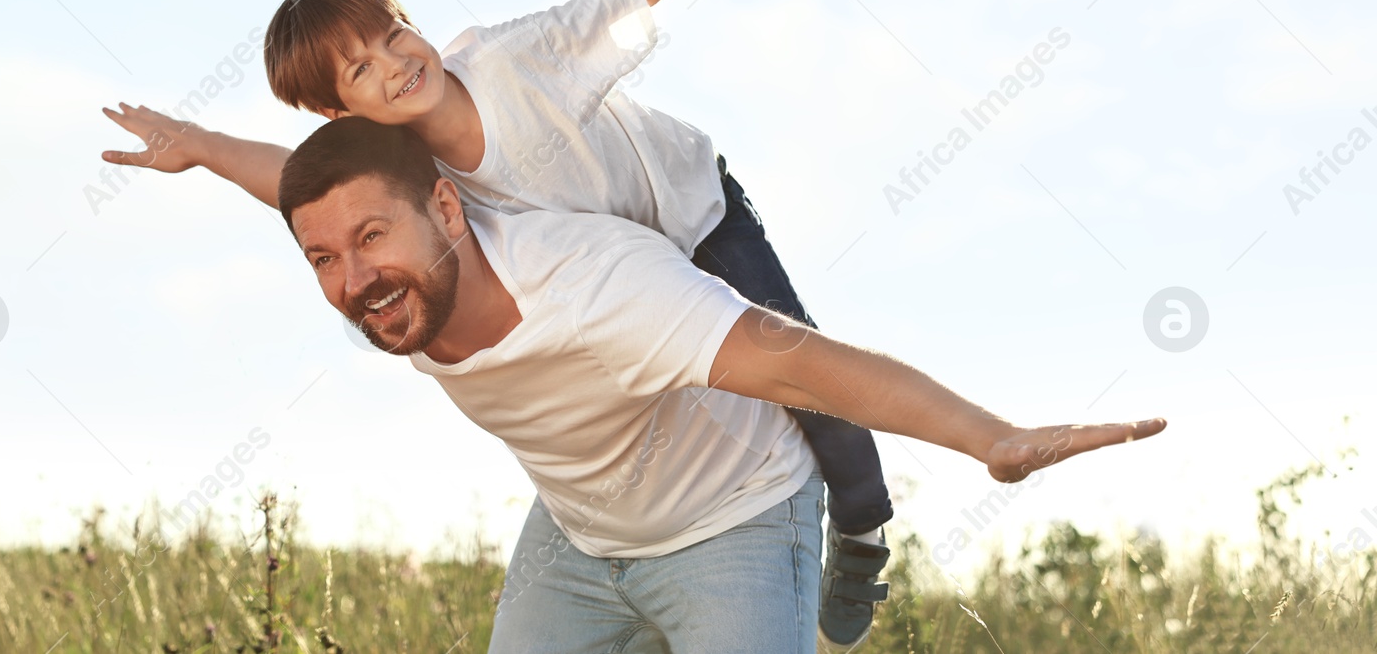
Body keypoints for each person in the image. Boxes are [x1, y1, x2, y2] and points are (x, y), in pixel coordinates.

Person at [102, 0, 906, 645]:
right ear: (341, 114)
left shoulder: (515, 62)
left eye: (393, 35)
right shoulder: (400, 163)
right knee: (670, 400)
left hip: (689, 213)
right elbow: (299, 182)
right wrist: (201, 148)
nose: (395, 63)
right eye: (362, 69)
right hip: (613, 283)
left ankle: (860, 533)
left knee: (799, 368)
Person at [272, 116, 1164, 652]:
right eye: (324, 257)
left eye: (372, 237)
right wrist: (197, 145)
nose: (355, 278)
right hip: (579, 534)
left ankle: (855, 550)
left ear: (446, 208)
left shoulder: (596, 289)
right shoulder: (394, 284)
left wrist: (991, 438)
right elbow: (280, 182)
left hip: (728, 518)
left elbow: (799, 360)